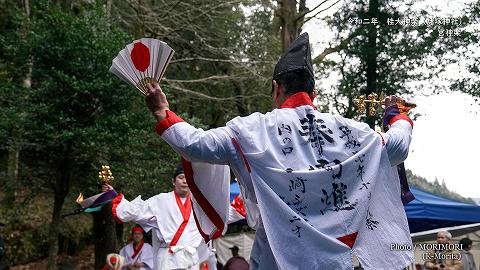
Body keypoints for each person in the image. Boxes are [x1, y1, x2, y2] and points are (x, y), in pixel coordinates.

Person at [144, 32, 415, 269]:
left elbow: (195, 145)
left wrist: (161, 111)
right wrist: (397, 115)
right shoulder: (350, 132)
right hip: (333, 261)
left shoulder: (251, 131)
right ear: (315, 93)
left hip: (276, 255)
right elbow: (398, 146)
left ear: (276, 88)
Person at [103, 164, 218, 270]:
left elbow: (222, 215)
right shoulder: (160, 200)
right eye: (181, 177)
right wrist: (113, 195)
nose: (185, 181)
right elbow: (136, 211)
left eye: (188, 178)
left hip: (191, 258)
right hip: (167, 257)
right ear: (173, 181)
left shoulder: (200, 204)